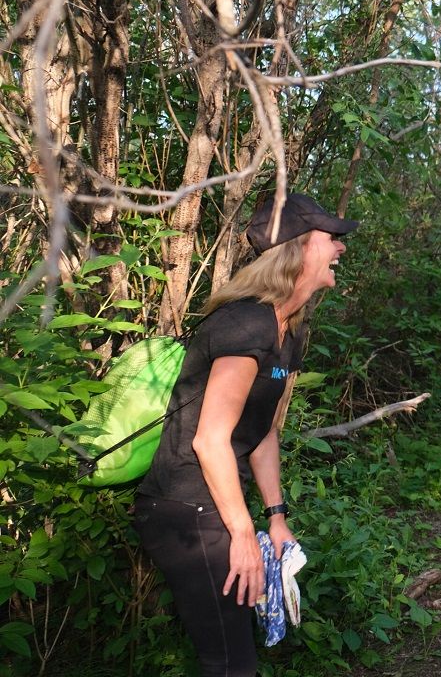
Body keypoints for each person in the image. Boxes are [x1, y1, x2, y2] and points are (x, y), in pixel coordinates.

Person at [133, 193, 359, 676]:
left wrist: (275, 518)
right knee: (231, 661)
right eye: (331, 238)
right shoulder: (247, 322)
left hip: (215, 501)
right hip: (184, 506)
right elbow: (209, 439)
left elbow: (263, 433)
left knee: (232, 654)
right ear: (298, 249)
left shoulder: (288, 328)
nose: (340, 247)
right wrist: (242, 535)